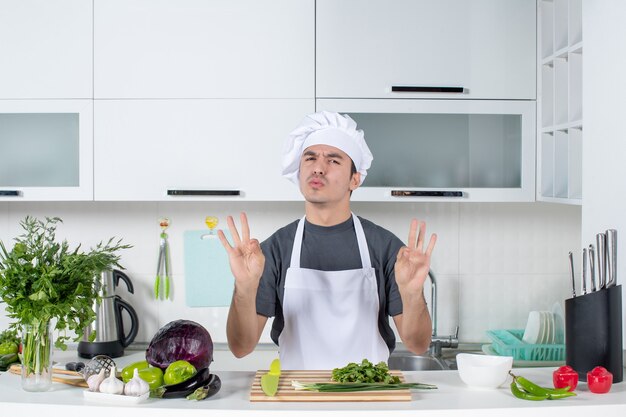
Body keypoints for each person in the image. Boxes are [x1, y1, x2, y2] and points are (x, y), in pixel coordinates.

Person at [218, 111, 437, 370]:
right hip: (298, 397)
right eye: (310, 158)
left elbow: (417, 344)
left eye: (334, 160)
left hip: (368, 396)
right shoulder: (274, 249)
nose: (318, 167)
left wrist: (412, 295)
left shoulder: (385, 247)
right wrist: (244, 287)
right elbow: (241, 347)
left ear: (355, 179)